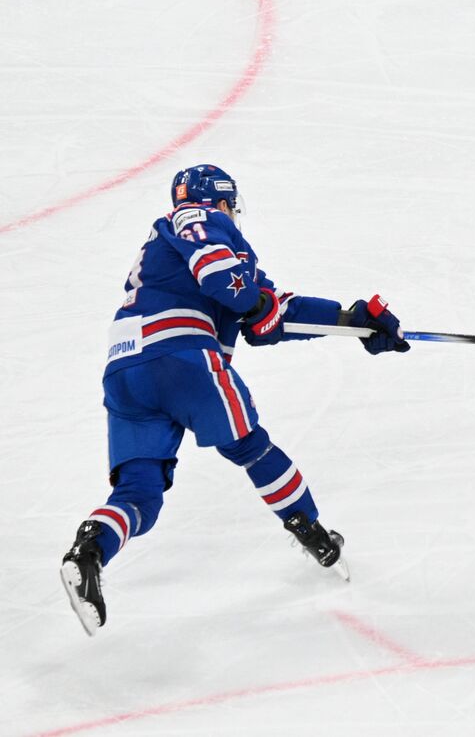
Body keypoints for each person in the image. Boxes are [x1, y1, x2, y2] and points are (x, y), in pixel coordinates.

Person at [60, 164, 410, 636]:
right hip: (180, 357)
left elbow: (272, 314)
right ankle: (310, 529)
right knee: (251, 447)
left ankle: (89, 552)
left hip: (125, 369)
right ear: (222, 200)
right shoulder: (197, 217)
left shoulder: (175, 252)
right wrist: (254, 302)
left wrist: (354, 321)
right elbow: (226, 281)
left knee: (139, 494)